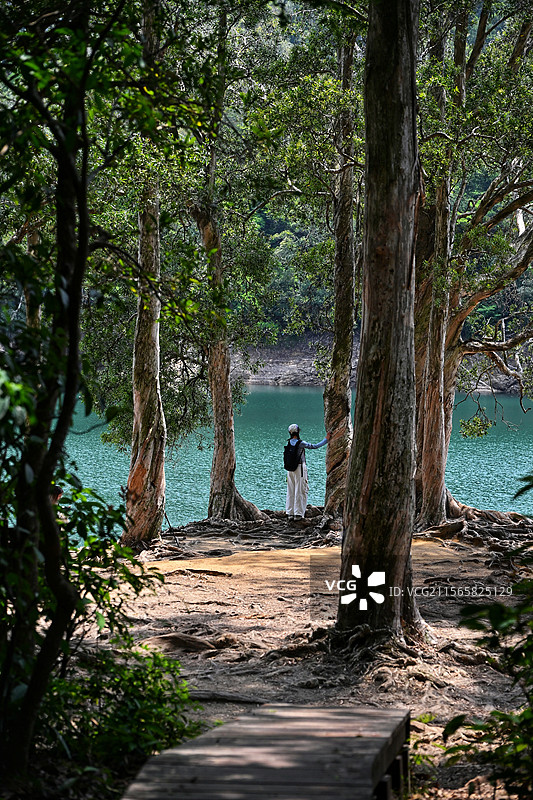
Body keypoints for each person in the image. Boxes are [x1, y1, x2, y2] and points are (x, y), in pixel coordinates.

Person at [285, 424, 330, 521]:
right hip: (299, 468)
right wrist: (326, 439)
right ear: (298, 432)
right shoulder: (300, 443)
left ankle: (290, 513)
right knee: (300, 490)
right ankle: (298, 514)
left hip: (290, 470)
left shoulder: (289, 443)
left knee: (291, 490)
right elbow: (314, 446)